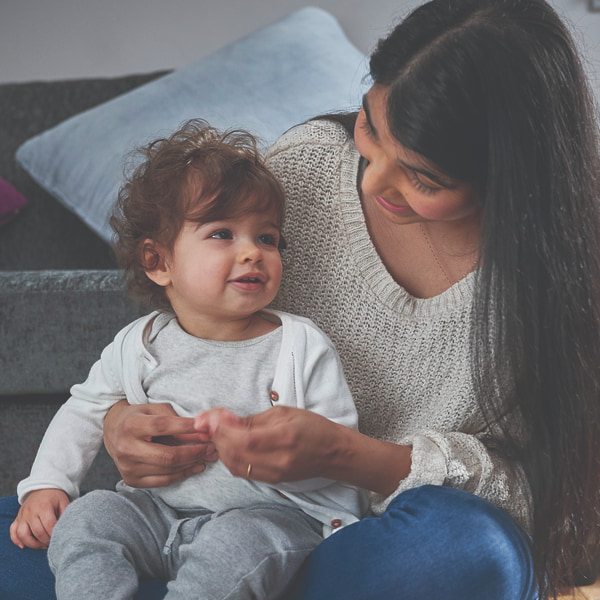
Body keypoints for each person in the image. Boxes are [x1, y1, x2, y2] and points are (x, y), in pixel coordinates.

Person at [2, 0, 600, 598]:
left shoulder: (556, 284)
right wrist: (117, 424)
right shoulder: (310, 166)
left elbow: (557, 505)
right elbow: (178, 333)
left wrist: (348, 456)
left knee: (466, 550)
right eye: (370, 125)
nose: (370, 179)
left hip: (342, 547)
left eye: (422, 177)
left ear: (512, 175)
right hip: (166, 527)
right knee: (34, 536)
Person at [8, 119, 368, 600]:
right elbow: (85, 408)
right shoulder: (139, 343)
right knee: (90, 517)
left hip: (271, 518)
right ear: (159, 262)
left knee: (237, 545)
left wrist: (270, 453)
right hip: (156, 515)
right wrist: (47, 485)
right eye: (223, 234)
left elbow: (337, 450)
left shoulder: (300, 345)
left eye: (267, 238)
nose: (252, 253)